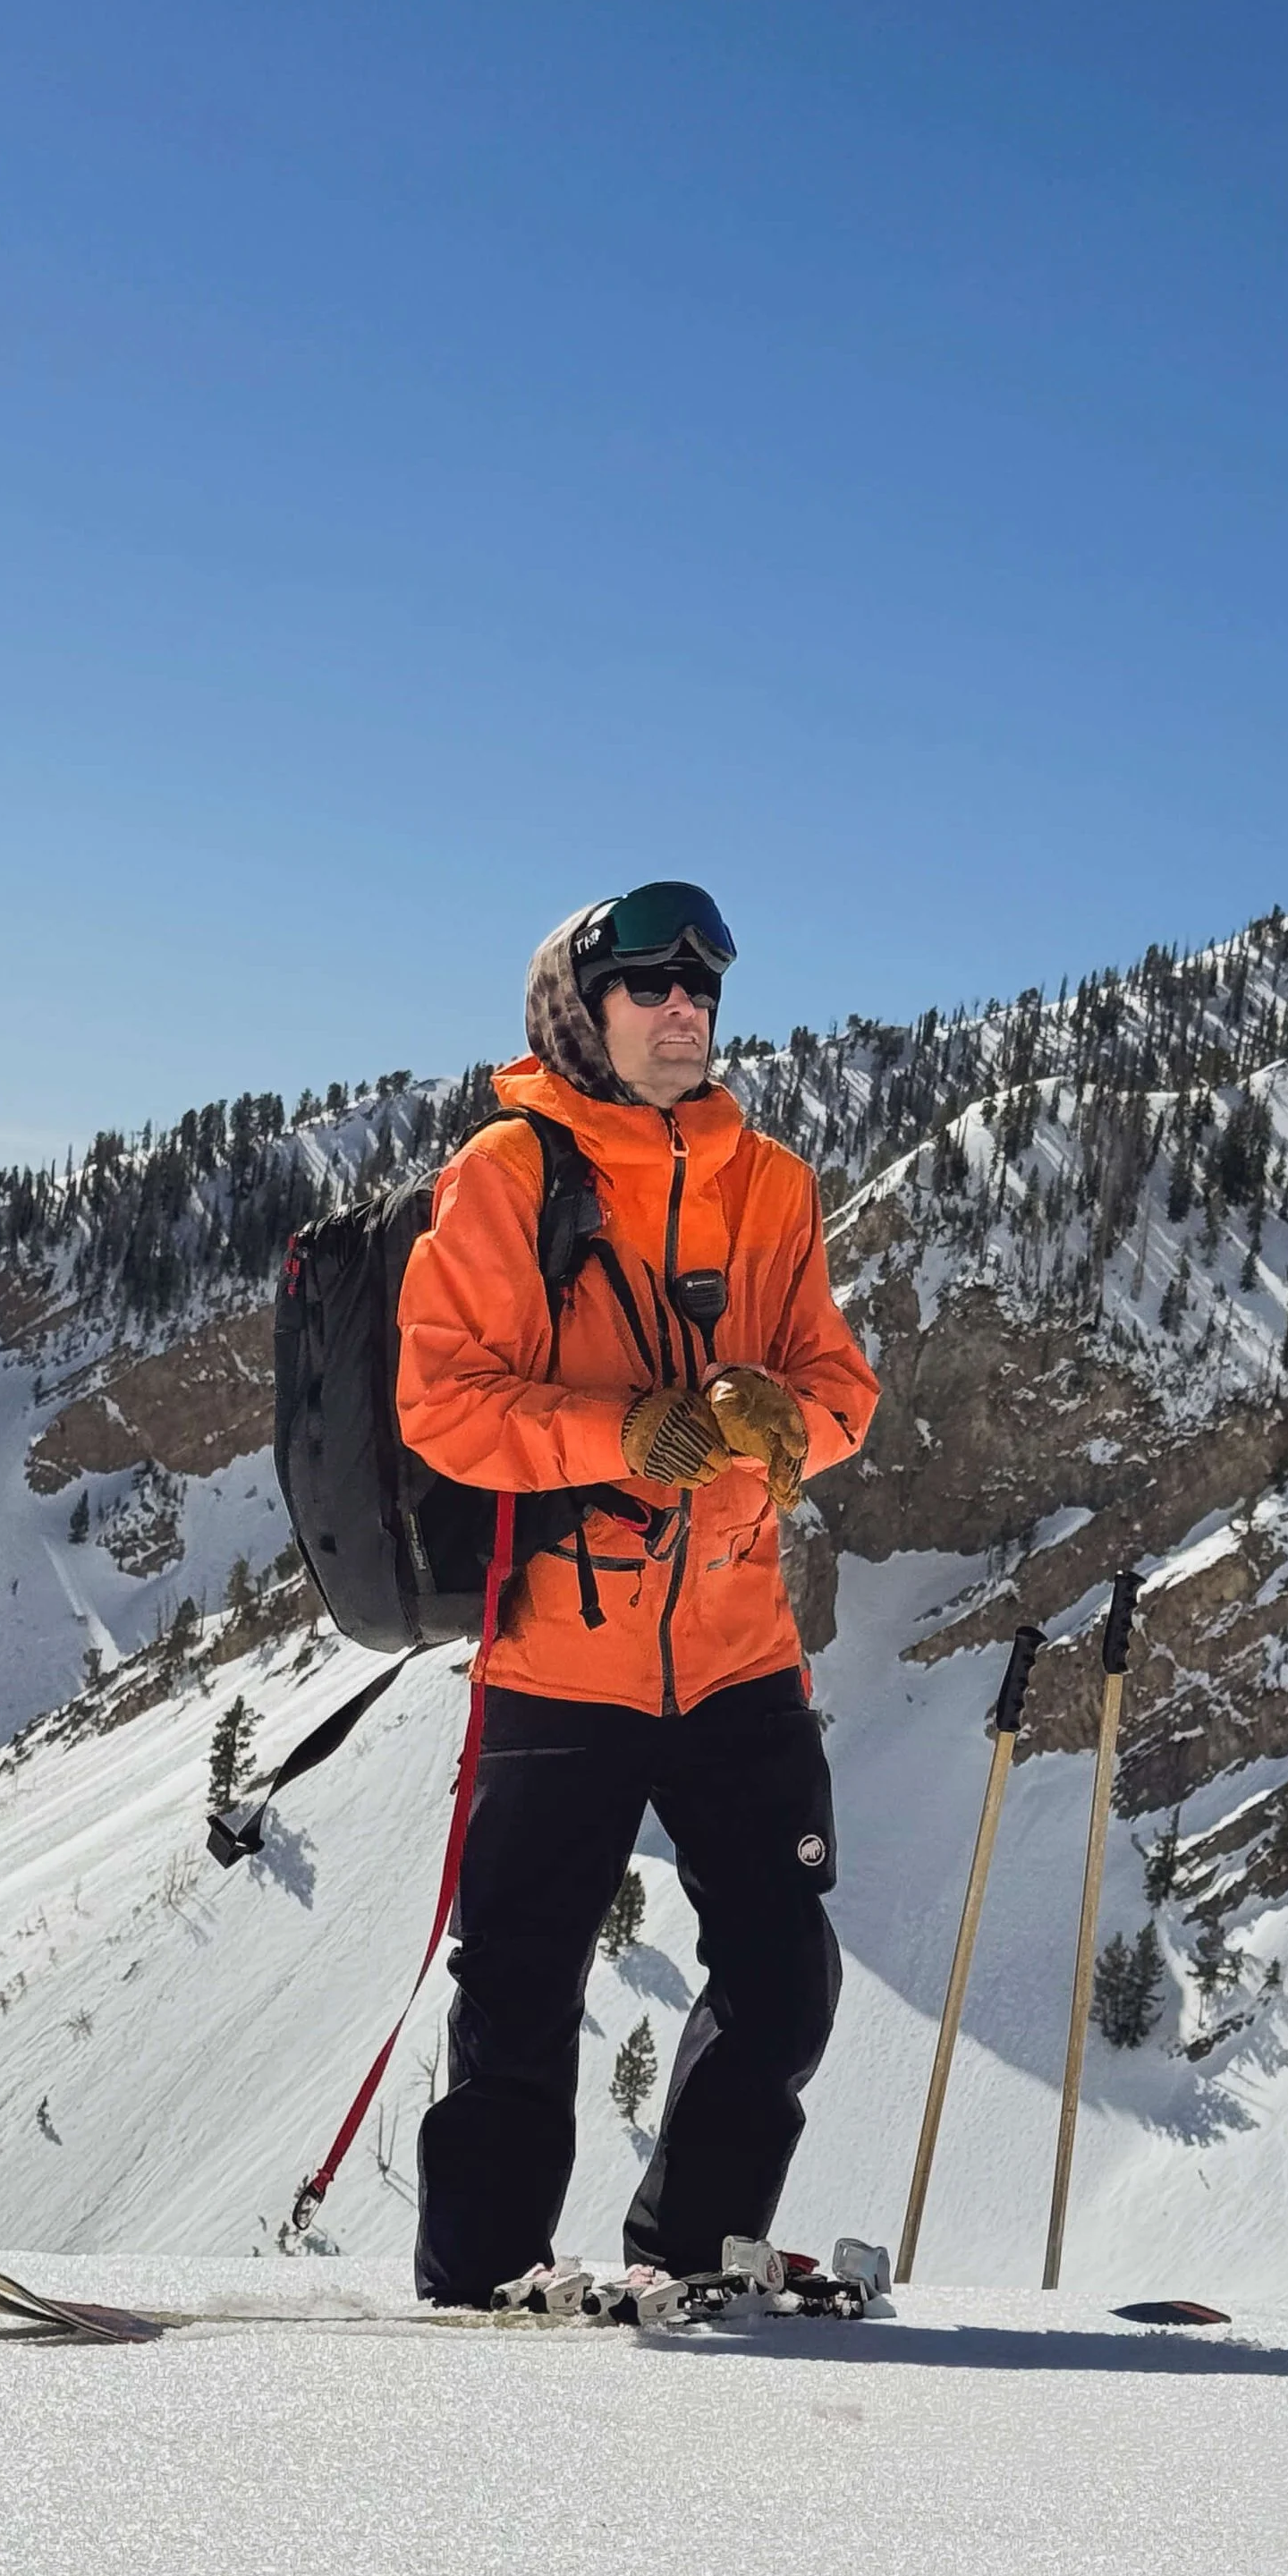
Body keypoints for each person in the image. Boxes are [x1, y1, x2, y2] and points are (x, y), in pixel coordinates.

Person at [395, 881, 879, 2306]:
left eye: (703, 988)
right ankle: (479, 2281)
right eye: (651, 986)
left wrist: (780, 1419)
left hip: (738, 1653)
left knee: (786, 1982)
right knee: (523, 1997)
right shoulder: (507, 1172)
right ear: (581, 1011)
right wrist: (621, 1435)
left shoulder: (772, 1184)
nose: (686, 1010)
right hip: (558, 1657)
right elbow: (442, 1403)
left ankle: (694, 2256)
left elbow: (839, 1386)